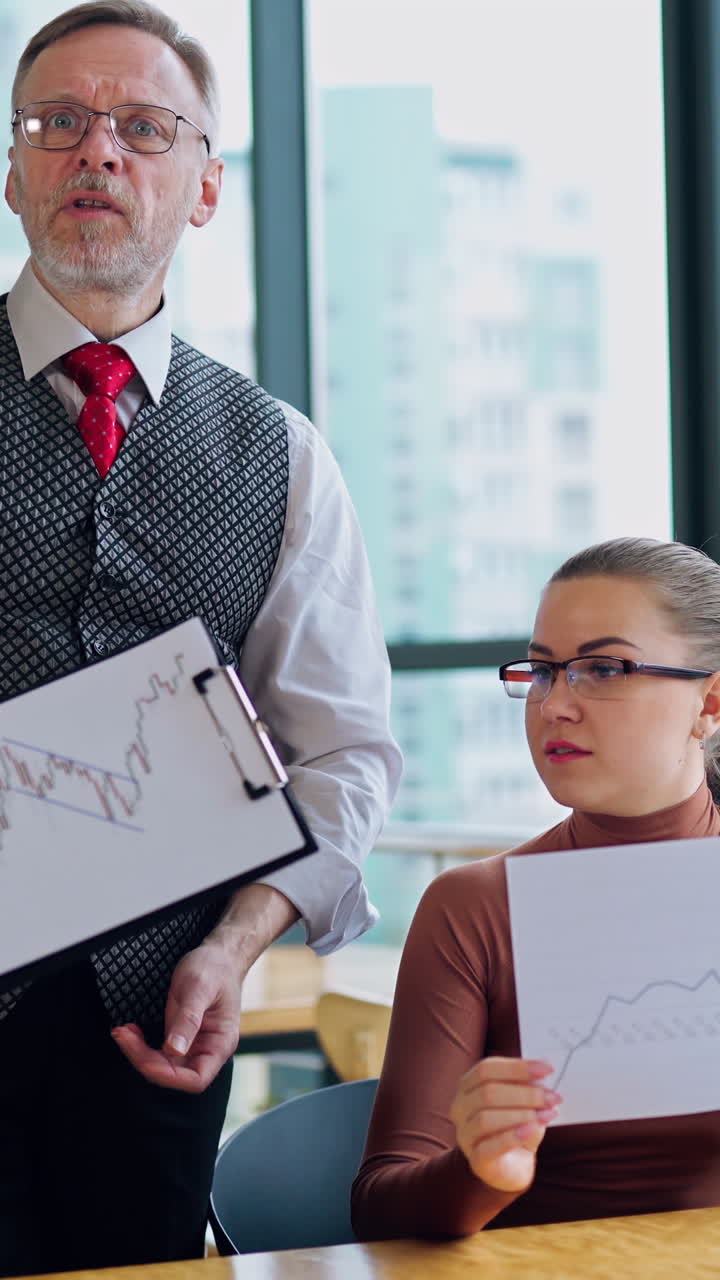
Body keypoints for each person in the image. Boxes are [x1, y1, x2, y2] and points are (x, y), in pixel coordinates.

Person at [0, 0, 401, 1272]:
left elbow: (344, 757)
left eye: (143, 126)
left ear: (208, 188)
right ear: (12, 172)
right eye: (57, 122)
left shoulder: (282, 454)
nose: (97, 152)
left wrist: (235, 944)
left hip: (154, 1038)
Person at [352, 536, 720, 1240]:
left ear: (710, 704)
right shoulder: (475, 907)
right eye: (544, 671)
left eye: (603, 668)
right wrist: (482, 1170)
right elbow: (377, 1211)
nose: (554, 705)